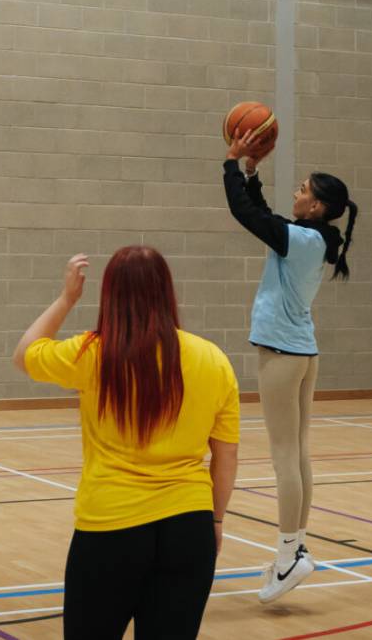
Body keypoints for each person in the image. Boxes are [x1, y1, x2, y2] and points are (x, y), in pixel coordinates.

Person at [15, 247, 240, 640]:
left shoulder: (92, 353)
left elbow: (25, 354)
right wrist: (216, 520)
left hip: (109, 530)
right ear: (166, 291)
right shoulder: (214, 359)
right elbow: (226, 454)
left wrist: (66, 298)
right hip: (189, 528)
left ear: (110, 294)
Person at [221, 131, 357, 602]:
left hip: (282, 353)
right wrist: (252, 175)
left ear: (316, 206)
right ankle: (295, 549)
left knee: (284, 456)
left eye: (302, 189)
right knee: (298, 452)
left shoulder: (300, 239)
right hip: (302, 351)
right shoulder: (311, 237)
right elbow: (265, 216)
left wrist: (230, 164)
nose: (296, 193)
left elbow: (247, 216)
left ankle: (287, 558)